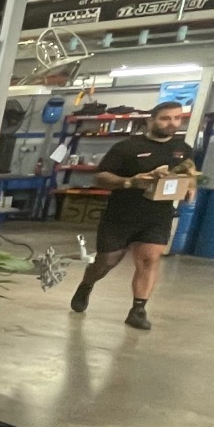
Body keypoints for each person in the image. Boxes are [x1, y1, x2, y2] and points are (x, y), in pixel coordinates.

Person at [68, 100, 197, 329]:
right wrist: (130, 182)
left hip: (158, 215)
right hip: (122, 215)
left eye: (177, 118)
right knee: (107, 261)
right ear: (151, 120)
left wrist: (190, 187)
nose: (172, 123)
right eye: (165, 118)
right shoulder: (127, 147)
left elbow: (190, 172)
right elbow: (100, 177)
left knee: (150, 259)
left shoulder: (182, 149)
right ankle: (87, 284)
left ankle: (138, 310)